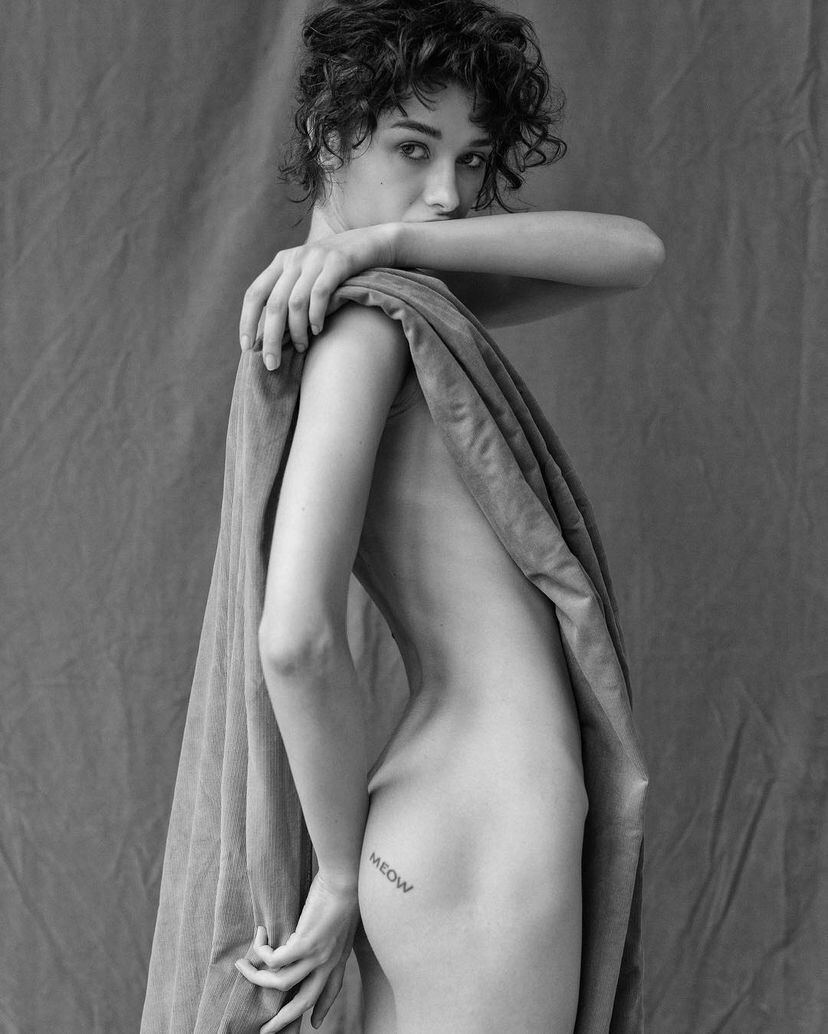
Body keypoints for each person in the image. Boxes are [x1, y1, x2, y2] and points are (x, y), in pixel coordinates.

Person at [222, 2, 662, 1032]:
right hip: (484, 821)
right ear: (329, 135)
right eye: (412, 148)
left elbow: (635, 251)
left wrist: (387, 234)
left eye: (470, 160)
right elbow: (294, 638)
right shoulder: (368, 329)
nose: (448, 195)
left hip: (427, 812)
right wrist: (338, 873)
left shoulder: (388, 299)